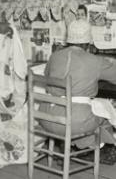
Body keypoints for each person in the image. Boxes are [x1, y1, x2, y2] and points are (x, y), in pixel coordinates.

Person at [40, 19, 116, 163]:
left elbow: (47, 74)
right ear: (89, 42)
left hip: (46, 117)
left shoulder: (54, 56)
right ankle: (98, 150)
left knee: (89, 110)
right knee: (106, 111)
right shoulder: (94, 61)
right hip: (73, 122)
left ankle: (73, 148)